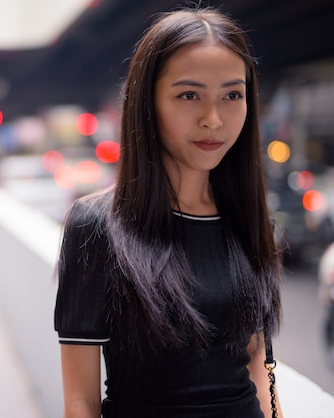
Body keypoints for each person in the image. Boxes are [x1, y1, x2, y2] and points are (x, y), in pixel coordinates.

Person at [54, 7, 283, 418]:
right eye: (189, 95)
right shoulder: (96, 227)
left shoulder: (251, 221)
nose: (213, 120)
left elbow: (257, 363)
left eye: (232, 95)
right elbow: (80, 401)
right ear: (148, 102)